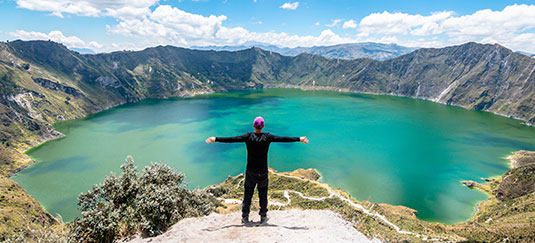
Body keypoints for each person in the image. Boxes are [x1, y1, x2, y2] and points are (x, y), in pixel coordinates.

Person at [205, 116, 308, 224]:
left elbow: (232, 139)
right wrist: (299, 139)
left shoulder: (248, 137)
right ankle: (263, 216)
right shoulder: (267, 137)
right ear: (262, 126)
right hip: (263, 172)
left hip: (250, 172)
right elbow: (283, 139)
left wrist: (215, 139)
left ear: (254, 126)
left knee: (248, 195)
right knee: (263, 195)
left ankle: (245, 217)